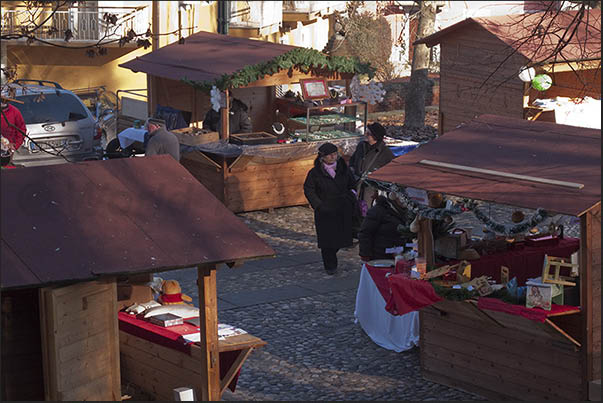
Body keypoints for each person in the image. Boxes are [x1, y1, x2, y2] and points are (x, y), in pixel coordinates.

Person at [303, 142, 357, 275]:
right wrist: (318, 205)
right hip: (325, 210)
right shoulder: (315, 172)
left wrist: (351, 196)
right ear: (322, 157)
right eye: (330, 155)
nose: (333, 157)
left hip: (342, 208)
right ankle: (330, 265)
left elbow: (352, 185)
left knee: (342, 237)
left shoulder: (344, 169)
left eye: (335, 154)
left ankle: (333, 256)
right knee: (327, 241)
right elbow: (309, 189)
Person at [358, 193, 415, 262]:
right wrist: (365, 255)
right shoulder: (378, 210)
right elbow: (365, 233)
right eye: (402, 197)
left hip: (400, 257)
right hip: (379, 258)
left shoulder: (408, 213)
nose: (405, 201)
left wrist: (409, 250)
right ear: (394, 196)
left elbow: (407, 234)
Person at [349, 122, 395, 205]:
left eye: (368, 133)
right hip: (355, 185)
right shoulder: (361, 145)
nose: (365, 135)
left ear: (375, 136)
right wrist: (352, 170)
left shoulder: (385, 153)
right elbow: (353, 160)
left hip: (371, 190)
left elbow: (391, 173)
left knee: (366, 210)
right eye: (365, 132)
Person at [0, 100, 26, 167]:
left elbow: (21, 129)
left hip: (8, 150)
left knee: (8, 172)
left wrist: (15, 146)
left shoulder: (14, 111)